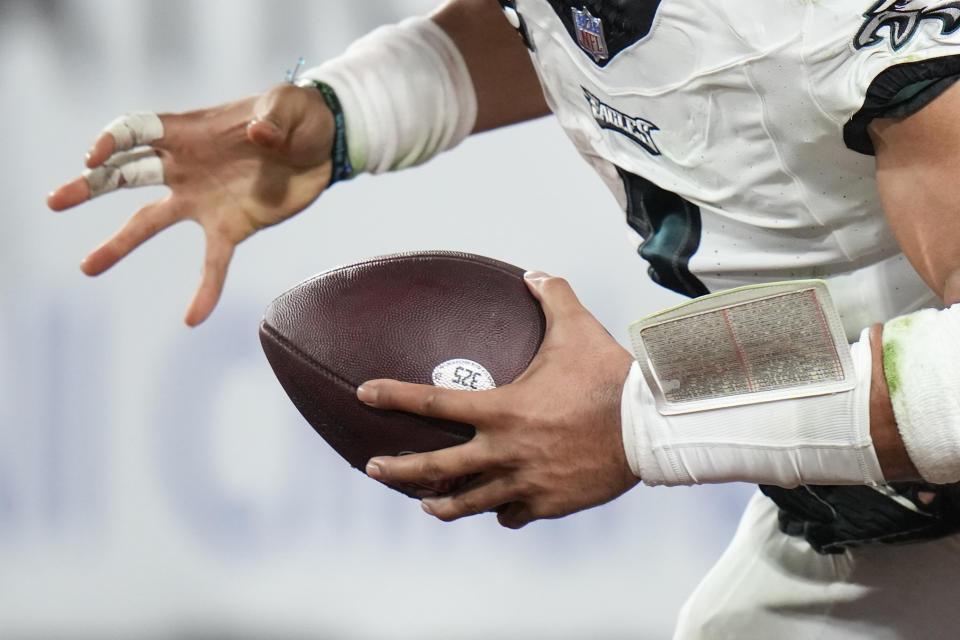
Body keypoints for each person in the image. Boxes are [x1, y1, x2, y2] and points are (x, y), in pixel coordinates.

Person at [47, 0, 960, 637]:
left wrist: (639, 417)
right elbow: (592, 34)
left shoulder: (860, 27)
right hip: (878, 519)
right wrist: (347, 110)